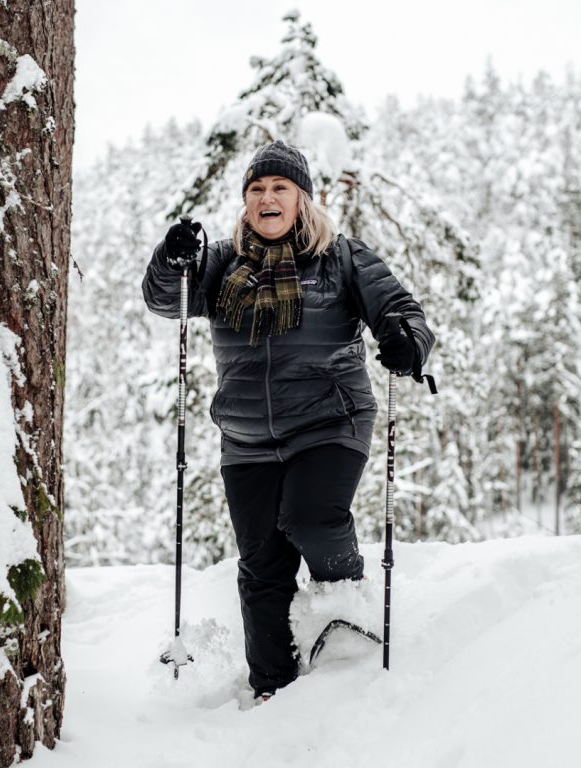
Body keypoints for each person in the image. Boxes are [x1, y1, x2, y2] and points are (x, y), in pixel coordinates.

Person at [142, 140, 434, 701]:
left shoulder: (342, 258)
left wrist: (406, 341)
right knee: (261, 568)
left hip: (331, 420)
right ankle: (271, 691)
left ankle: (346, 607)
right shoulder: (220, 264)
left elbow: (401, 310)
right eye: (256, 189)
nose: (267, 198)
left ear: (302, 198)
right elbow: (165, 299)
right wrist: (170, 259)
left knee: (310, 518)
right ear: (246, 201)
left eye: (279, 188)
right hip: (246, 439)